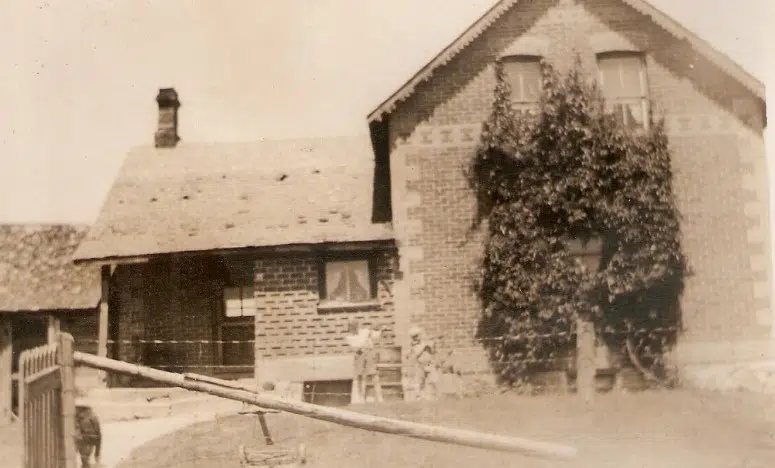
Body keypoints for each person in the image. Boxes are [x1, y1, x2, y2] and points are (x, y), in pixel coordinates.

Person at [344, 319, 385, 404]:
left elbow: (376, 335)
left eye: (355, 325)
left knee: (374, 375)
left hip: (369, 354)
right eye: (351, 326)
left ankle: (380, 397)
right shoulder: (349, 337)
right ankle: (360, 398)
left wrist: (380, 329)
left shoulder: (365, 331)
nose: (354, 328)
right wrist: (364, 342)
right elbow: (356, 347)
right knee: (359, 377)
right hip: (359, 355)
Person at [404, 325, 439, 401]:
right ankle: (419, 396)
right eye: (415, 337)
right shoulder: (413, 345)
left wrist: (433, 344)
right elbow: (416, 353)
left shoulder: (424, 343)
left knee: (432, 380)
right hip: (420, 365)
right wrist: (425, 345)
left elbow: (432, 352)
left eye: (418, 335)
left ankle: (432, 395)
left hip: (429, 363)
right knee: (420, 381)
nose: (417, 338)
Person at [74, 397, 102, 468]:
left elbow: (98, 435)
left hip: (88, 440)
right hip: (82, 440)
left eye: (78, 408)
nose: (76, 409)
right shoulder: (77, 418)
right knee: (84, 460)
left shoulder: (92, 417)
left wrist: (97, 452)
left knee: (85, 460)